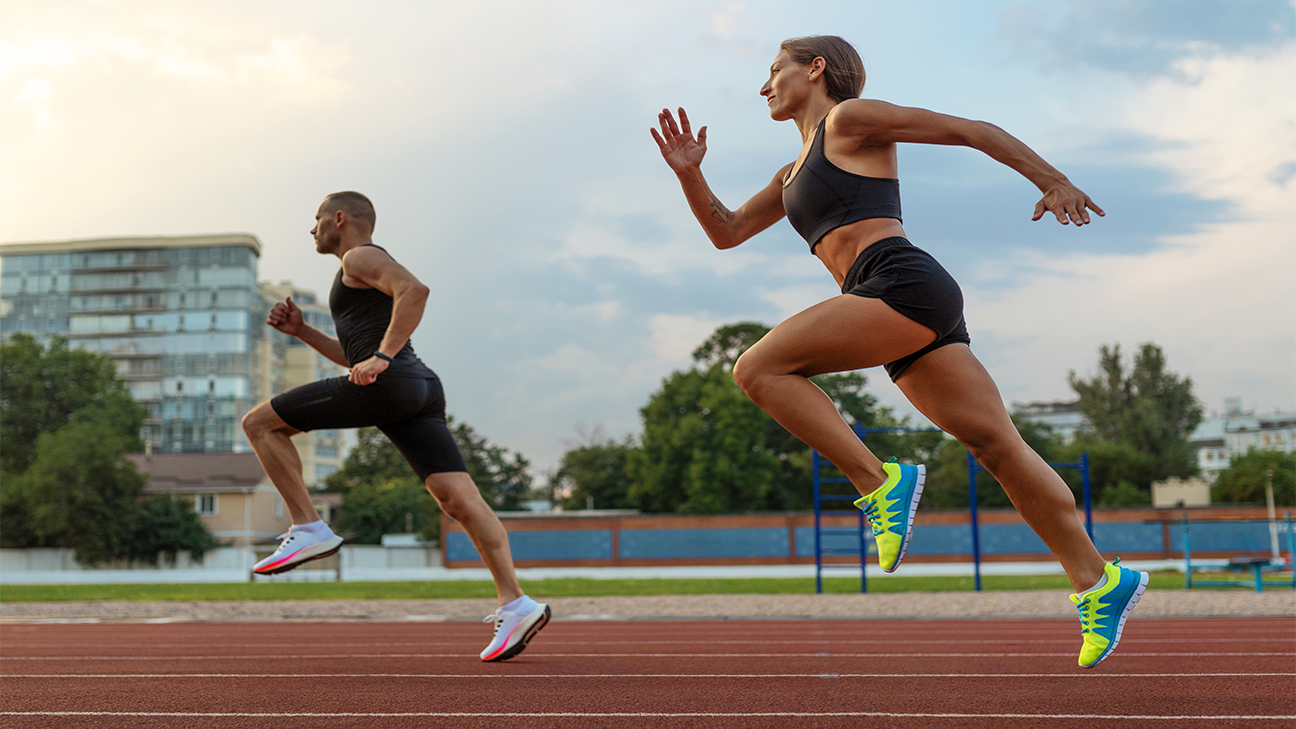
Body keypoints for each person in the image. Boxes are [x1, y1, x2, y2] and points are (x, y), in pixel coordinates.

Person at [651, 35, 1146, 668]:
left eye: (775, 70)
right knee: (998, 446)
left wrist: (1054, 181)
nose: (764, 84)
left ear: (816, 69)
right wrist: (691, 176)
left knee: (758, 368)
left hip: (898, 281)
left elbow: (969, 130)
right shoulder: (790, 171)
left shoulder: (849, 120)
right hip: (890, 301)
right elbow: (725, 232)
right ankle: (1099, 579)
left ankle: (878, 481)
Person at [241, 191, 550, 662]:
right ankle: (516, 601)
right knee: (458, 499)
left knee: (259, 423)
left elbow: (415, 291)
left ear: (339, 219)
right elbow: (355, 357)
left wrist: (383, 357)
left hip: (392, 380)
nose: (313, 228)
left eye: (318, 218)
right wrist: (304, 333)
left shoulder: (360, 256)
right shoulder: (358, 271)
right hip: (417, 387)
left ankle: (308, 527)